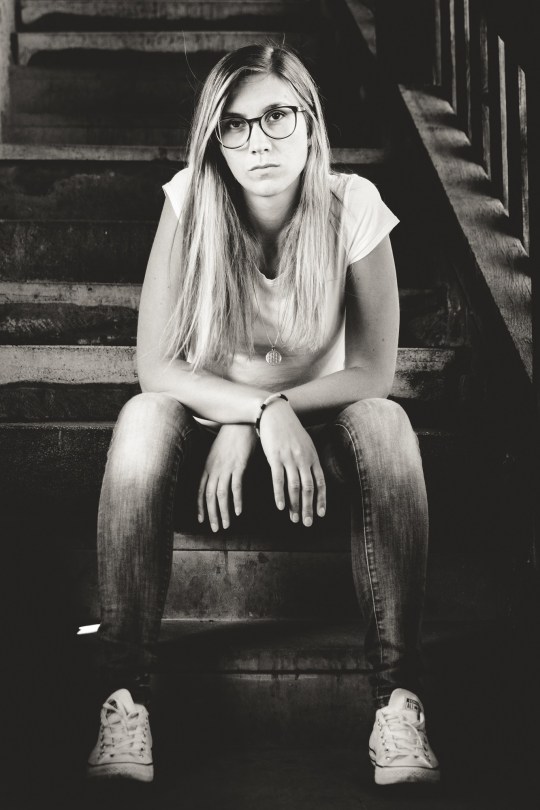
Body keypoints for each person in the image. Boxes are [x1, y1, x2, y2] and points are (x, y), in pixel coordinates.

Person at [86, 43, 440, 787]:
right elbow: (158, 367)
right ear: (215, 138)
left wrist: (276, 412)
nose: (259, 142)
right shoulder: (191, 199)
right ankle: (123, 697)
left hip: (318, 435)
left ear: (311, 122)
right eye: (235, 124)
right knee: (143, 418)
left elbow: (373, 372)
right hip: (206, 429)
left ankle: (398, 700)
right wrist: (248, 415)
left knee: (388, 424)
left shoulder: (353, 205)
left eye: (278, 116)